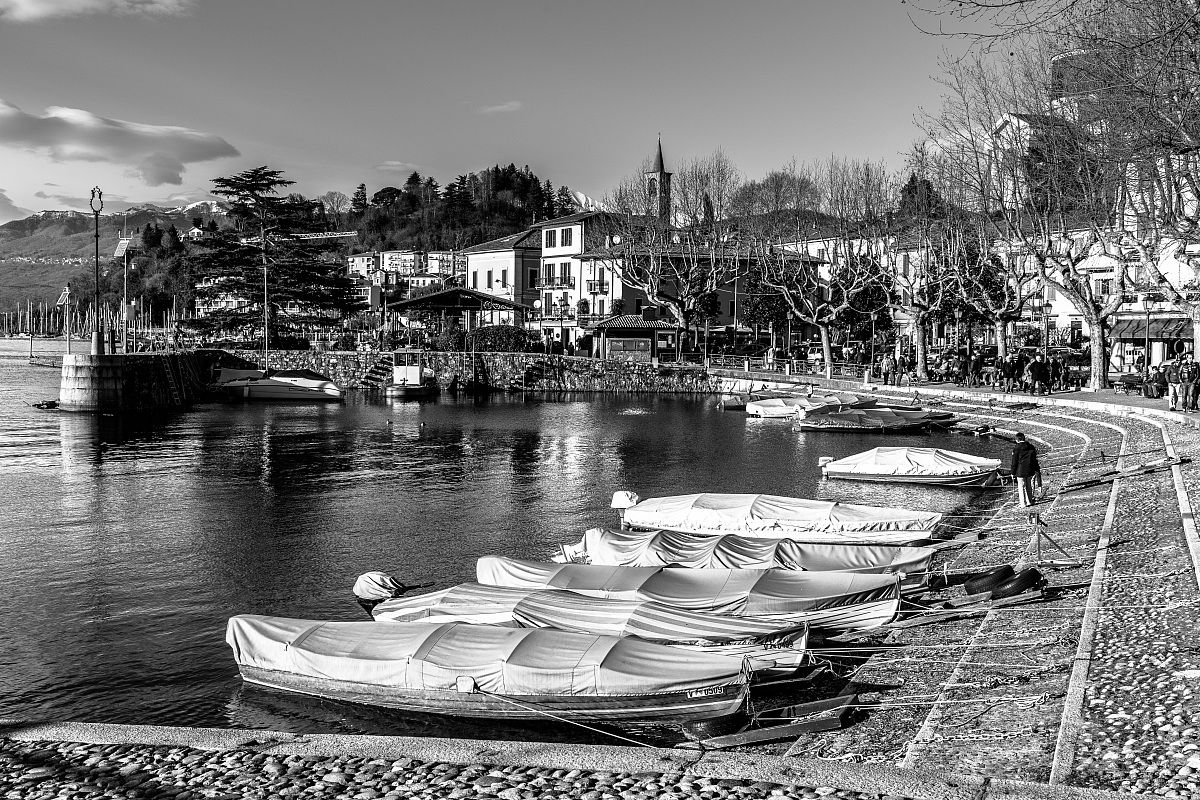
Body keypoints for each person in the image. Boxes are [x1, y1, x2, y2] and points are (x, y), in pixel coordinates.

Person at [1010, 432, 1042, 508]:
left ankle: (1023, 503)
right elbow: (1034, 460)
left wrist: (1012, 472)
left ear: (1017, 440)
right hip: (1030, 469)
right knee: (1028, 485)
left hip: (1020, 470)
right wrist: (1036, 469)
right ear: (1024, 438)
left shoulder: (1016, 448)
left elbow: (1014, 461)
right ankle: (1029, 501)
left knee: (1021, 486)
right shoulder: (1031, 447)